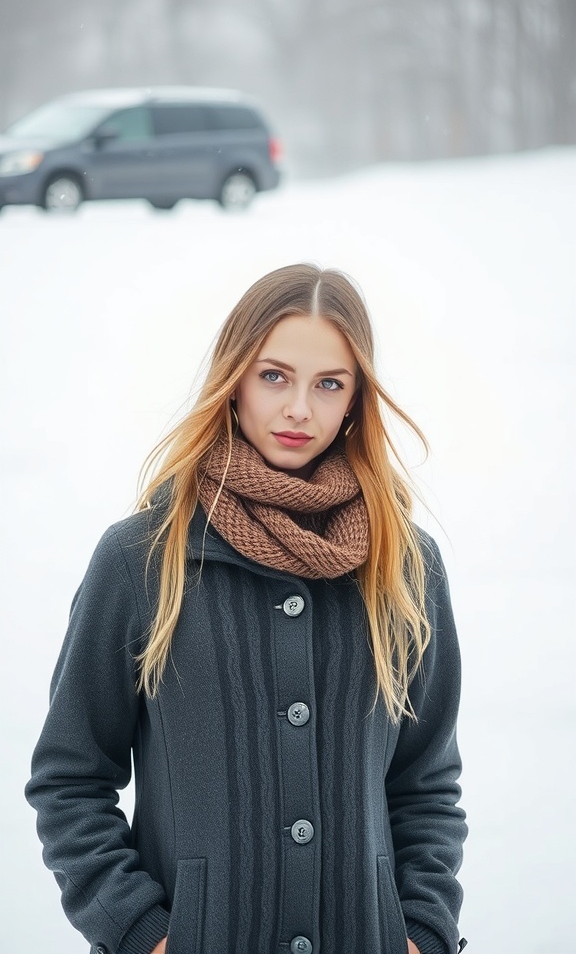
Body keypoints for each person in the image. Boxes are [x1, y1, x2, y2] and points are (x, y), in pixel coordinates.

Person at [26, 264, 468, 954]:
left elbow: (426, 786)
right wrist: (142, 933)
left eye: (329, 384)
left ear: (356, 399)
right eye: (274, 376)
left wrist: (422, 932)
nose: (299, 408)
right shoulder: (143, 558)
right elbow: (70, 779)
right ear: (234, 379)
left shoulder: (405, 565)